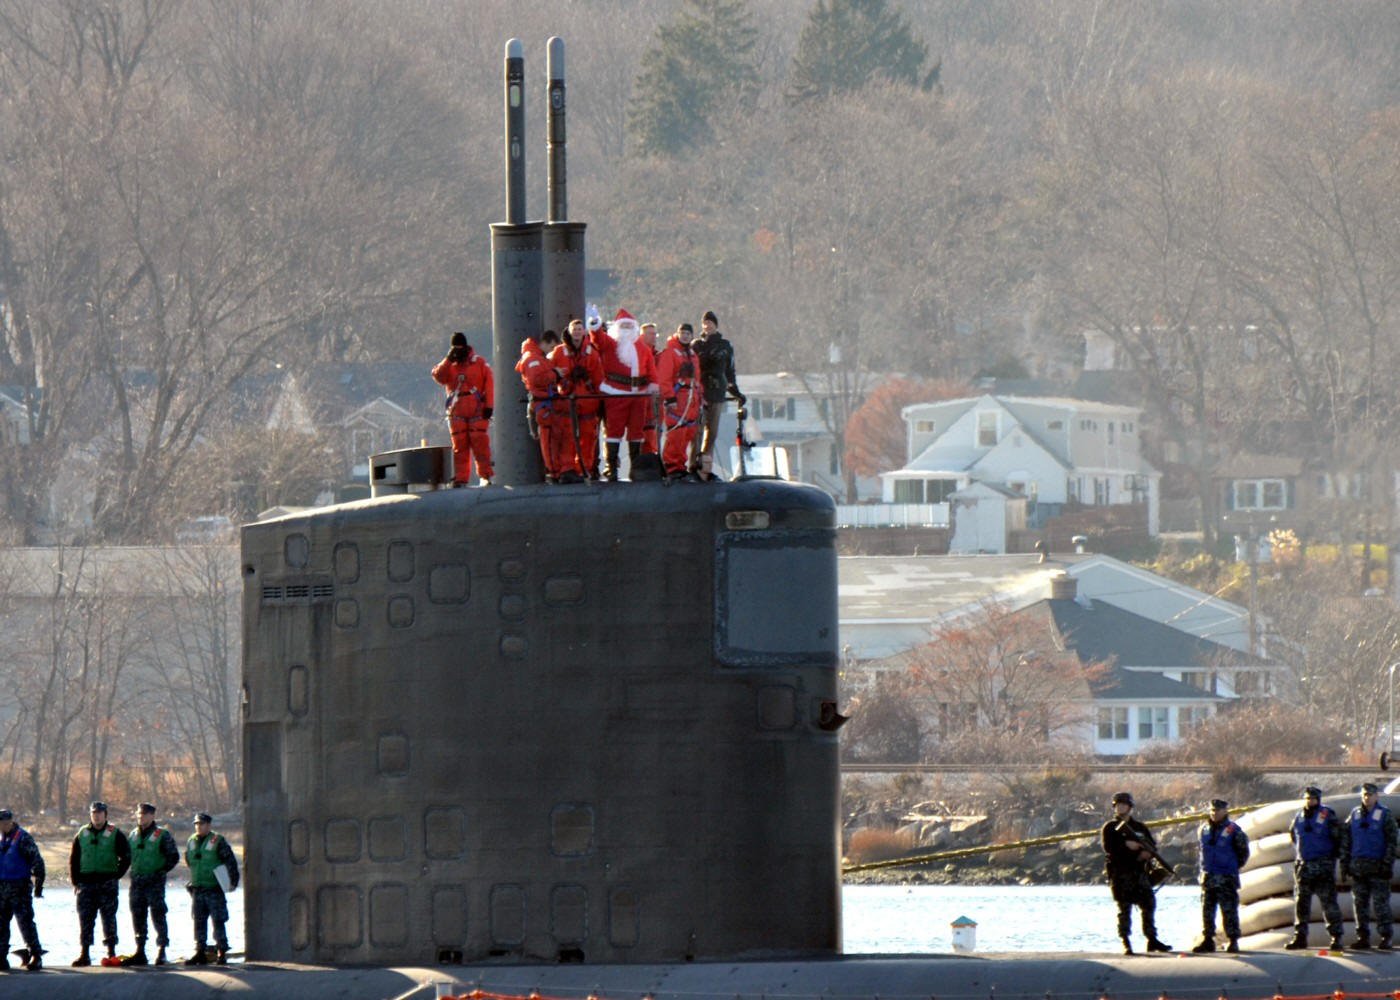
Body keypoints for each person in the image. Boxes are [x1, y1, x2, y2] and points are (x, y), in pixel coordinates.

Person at [1100, 791, 1171, 954]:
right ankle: (1126, 941)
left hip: (1139, 873)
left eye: (1123, 805)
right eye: (1118, 805)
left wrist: (1146, 854)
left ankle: (1152, 939)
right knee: (1124, 909)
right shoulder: (1110, 828)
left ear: (1130, 807)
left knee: (1148, 904)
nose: (1120, 808)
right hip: (1120, 874)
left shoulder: (1139, 827)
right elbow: (1110, 849)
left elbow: (1152, 846)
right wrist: (1128, 846)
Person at [592, 308, 658, 481]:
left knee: (637, 431)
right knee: (614, 430)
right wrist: (594, 323)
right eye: (624, 325)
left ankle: (635, 469)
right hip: (616, 393)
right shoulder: (610, 344)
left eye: (630, 325)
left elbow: (651, 368)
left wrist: (653, 384)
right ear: (618, 327)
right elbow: (597, 338)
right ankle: (611, 467)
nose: (627, 328)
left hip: (639, 395)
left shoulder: (643, 348)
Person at [68, 800, 131, 966]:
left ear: (105, 815)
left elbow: (126, 856)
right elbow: (74, 859)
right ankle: (85, 953)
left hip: (106, 883)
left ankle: (111, 952)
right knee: (85, 919)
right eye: (93, 813)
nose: (96, 816)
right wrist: (75, 882)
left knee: (109, 918)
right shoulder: (82, 834)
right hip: (86, 884)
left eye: (99, 813)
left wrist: (116, 875)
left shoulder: (115, 833)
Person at [431, 331, 494, 486]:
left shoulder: (479, 363)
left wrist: (489, 406)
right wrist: (448, 360)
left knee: (479, 442)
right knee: (460, 446)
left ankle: (485, 475)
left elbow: (489, 383)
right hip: (457, 410)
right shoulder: (448, 366)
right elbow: (438, 376)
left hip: (477, 409)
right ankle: (461, 478)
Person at [1285, 785, 1343, 951]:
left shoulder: (1327, 816)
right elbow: (1293, 836)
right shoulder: (1299, 817)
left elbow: (1338, 837)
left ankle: (1336, 936)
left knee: (1328, 903)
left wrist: (1331, 859)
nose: (1310, 801)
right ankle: (1300, 937)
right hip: (1304, 866)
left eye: (1313, 799)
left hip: (1323, 865)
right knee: (1301, 904)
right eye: (1308, 798)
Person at [517, 330, 579, 483]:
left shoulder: (539, 358)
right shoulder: (532, 358)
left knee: (558, 437)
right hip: (543, 406)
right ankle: (554, 473)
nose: (552, 351)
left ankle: (564, 470)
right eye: (552, 347)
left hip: (551, 405)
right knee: (549, 440)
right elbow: (537, 379)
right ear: (547, 342)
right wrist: (555, 374)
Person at [1341, 782, 1397, 950]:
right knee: (1360, 905)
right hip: (1359, 868)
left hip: (1378, 867)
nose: (1367, 798)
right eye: (1364, 795)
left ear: (1376, 796)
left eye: (1370, 795)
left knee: (1381, 904)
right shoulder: (1355, 815)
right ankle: (1362, 937)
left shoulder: (1384, 815)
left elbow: (1392, 841)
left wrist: (1387, 863)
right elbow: (1346, 839)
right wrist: (1346, 864)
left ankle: (1385, 936)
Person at [690, 310, 744, 481]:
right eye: (705, 323)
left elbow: (730, 370)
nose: (707, 326)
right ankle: (694, 465)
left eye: (710, 323)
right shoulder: (696, 345)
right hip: (699, 392)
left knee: (711, 432)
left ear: (716, 325)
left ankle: (706, 465)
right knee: (696, 431)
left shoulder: (725, 346)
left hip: (717, 392)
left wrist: (735, 391)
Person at [123, 802, 180, 966]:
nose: (141, 817)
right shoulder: (133, 835)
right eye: (139, 814)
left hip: (154, 882)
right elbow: (126, 856)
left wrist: (160, 872)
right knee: (138, 916)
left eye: (144, 814)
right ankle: (140, 950)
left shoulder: (162, 835)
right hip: (137, 882)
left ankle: (162, 950)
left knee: (158, 915)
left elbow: (173, 856)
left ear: (152, 816)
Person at [551, 317, 606, 480]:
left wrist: (601, 401)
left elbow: (598, 378)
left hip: (588, 402)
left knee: (587, 439)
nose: (577, 332)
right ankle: (567, 469)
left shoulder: (592, 352)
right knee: (567, 438)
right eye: (574, 329)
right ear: (569, 331)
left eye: (580, 329)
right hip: (567, 402)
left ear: (584, 332)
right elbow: (552, 376)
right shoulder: (559, 352)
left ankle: (584, 469)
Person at [1193, 798, 1250, 953]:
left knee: (1229, 910)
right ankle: (1208, 939)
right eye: (1212, 810)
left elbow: (1243, 853)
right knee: (1207, 911)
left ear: (1225, 811)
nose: (1214, 813)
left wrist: (1231, 867)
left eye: (1217, 810)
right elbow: (1201, 853)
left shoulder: (1234, 831)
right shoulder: (1204, 830)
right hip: (1208, 877)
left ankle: (1233, 940)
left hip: (1226, 877)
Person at [185, 812, 239, 966]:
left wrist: (233, 881)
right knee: (199, 921)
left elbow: (230, 861)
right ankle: (200, 951)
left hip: (214, 888)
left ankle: (221, 951)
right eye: (196, 824)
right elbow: (189, 860)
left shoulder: (218, 841)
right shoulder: (191, 841)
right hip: (198, 888)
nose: (198, 827)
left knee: (218, 920)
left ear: (208, 825)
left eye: (201, 824)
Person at [655, 322, 703, 479]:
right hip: (678, 398)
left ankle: (680, 465)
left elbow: (697, 379)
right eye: (683, 333)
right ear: (678, 334)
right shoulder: (670, 353)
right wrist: (670, 397)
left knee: (687, 433)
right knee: (676, 433)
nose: (685, 336)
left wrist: (700, 397)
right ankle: (671, 465)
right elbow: (664, 378)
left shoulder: (692, 354)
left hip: (691, 399)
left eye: (688, 334)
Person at [0, 809, 44, 972]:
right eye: (1, 823)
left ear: (11, 821)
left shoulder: (23, 838)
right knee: (1, 923)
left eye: (6, 822)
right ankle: (1, 956)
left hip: (20, 887)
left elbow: (37, 862)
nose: (4, 825)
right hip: (2, 888)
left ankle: (35, 954)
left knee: (25, 922)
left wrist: (38, 886)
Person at [640, 322, 661, 455]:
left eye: (655, 334)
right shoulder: (638, 353)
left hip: (655, 401)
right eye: (651, 334)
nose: (654, 337)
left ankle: (652, 459)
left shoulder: (657, 355)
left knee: (654, 432)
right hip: (642, 398)